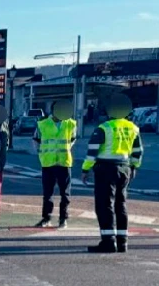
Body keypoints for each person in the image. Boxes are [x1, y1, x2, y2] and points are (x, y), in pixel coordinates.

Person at [82, 93, 144, 253]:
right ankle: (123, 242)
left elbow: (92, 152)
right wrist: (134, 167)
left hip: (105, 169)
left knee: (104, 205)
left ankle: (108, 241)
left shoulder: (104, 128)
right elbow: (138, 151)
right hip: (124, 168)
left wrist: (85, 169)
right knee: (121, 204)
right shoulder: (133, 128)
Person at [32, 100, 77, 229]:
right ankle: (46, 218)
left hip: (64, 162)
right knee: (48, 193)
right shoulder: (43, 124)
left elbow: (73, 139)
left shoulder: (71, 124)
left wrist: (67, 147)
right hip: (48, 162)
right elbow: (36, 139)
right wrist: (41, 153)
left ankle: (63, 219)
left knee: (65, 194)